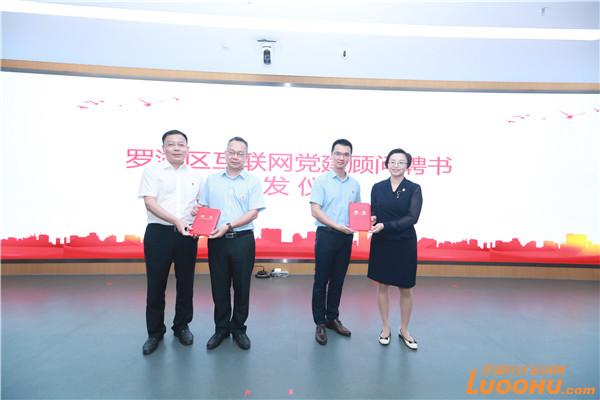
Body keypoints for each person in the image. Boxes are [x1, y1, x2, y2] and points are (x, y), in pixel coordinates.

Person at [196, 137, 265, 350]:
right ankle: (221, 329)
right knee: (219, 286)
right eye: (231, 152)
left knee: (242, 286)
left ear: (246, 156)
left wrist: (228, 225)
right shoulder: (211, 180)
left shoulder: (253, 182)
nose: (235, 156)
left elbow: (253, 213)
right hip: (217, 241)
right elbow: (204, 207)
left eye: (240, 153)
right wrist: (198, 213)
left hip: (242, 240)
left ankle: (239, 329)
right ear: (225, 154)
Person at [138, 130, 203, 355]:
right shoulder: (152, 171)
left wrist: (197, 210)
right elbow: (150, 203)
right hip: (159, 233)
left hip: (187, 234)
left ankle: (182, 326)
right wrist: (176, 220)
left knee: (186, 283)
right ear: (163, 148)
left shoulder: (195, 175)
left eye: (181, 144)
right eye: (171, 144)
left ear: (187, 148)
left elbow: (198, 205)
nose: (176, 148)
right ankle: (155, 332)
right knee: (156, 284)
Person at [368, 148, 423, 349]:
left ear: (407, 165)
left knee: (405, 287)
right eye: (392, 161)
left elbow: (412, 218)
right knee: (382, 285)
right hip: (382, 242)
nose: (396, 165)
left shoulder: (414, 188)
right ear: (387, 164)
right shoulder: (377, 187)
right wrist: (372, 218)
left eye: (401, 162)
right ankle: (385, 327)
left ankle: (404, 329)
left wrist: (385, 225)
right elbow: (374, 212)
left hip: (404, 242)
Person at [310, 138, 361, 345]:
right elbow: (315, 210)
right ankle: (320, 322)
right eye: (338, 153)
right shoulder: (321, 181)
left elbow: (357, 211)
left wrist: (367, 219)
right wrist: (336, 225)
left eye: (346, 154)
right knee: (321, 280)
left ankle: (333, 318)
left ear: (350, 157)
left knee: (338, 280)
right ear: (331, 155)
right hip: (326, 235)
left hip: (346, 237)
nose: (341, 157)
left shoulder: (354, 184)